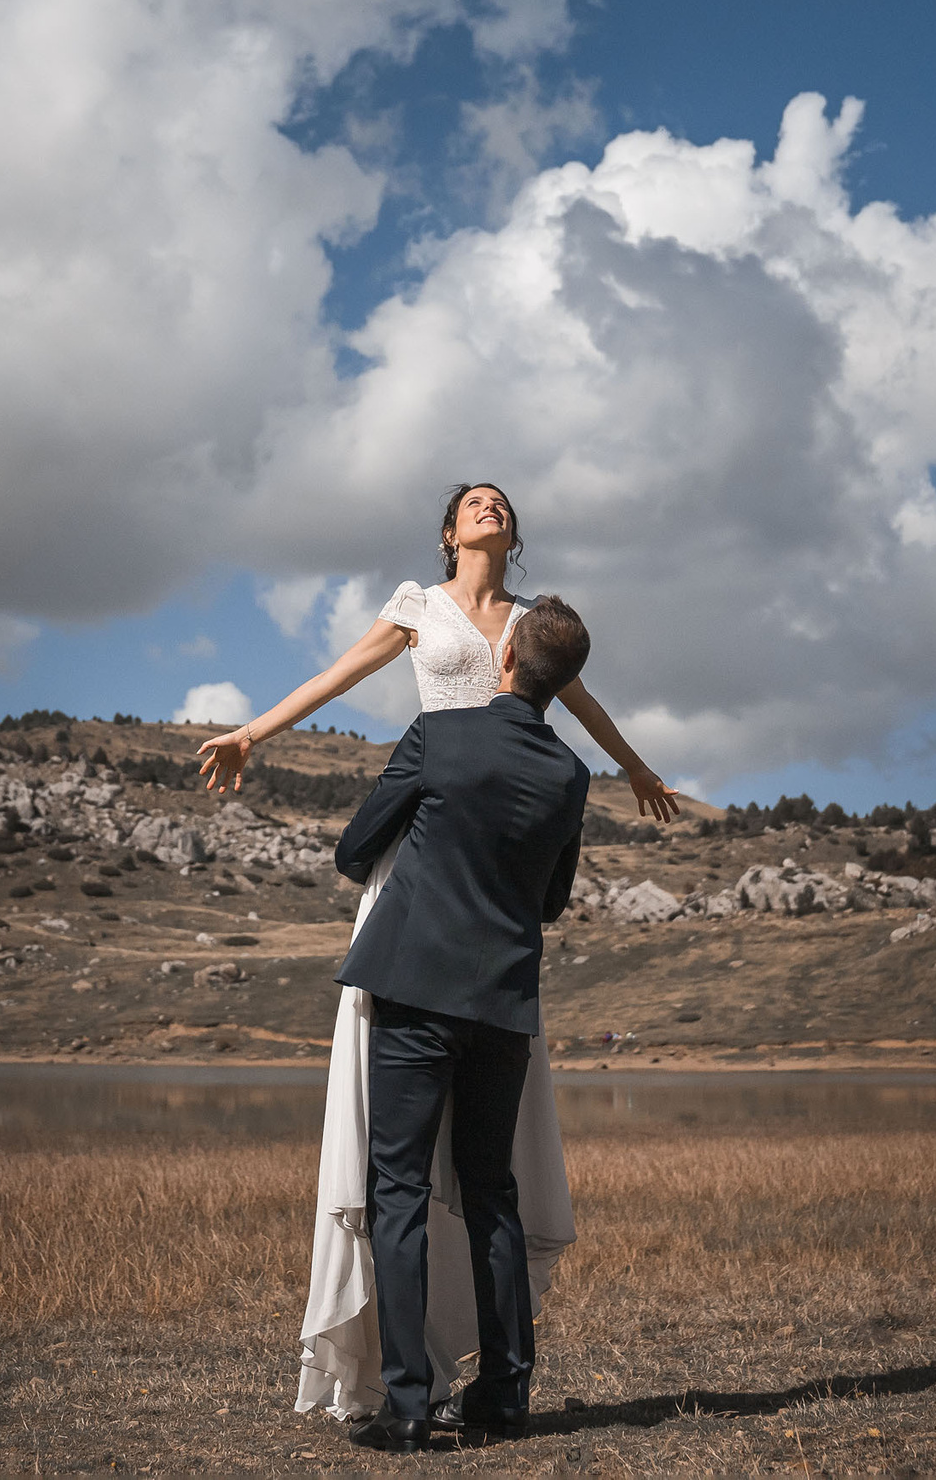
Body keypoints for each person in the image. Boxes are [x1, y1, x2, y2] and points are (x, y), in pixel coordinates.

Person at [193, 483, 680, 1423]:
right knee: (430, 1159)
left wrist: (634, 765)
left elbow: (579, 699)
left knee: (449, 1166)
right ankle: (441, 1375)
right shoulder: (418, 605)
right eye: (474, 503)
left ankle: (424, 1387)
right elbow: (338, 675)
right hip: (425, 867)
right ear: (451, 531)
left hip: (485, 869)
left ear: (514, 535)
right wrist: (253, 731)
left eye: (502, 502)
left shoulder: (531, 628)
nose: (490, 508)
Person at [329, 597, 591, 1451]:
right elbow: (550, 899)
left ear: (505, 653)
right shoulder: (570, 775)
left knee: (397, 1191)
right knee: (492, 1192)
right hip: (504, 1006)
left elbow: (355, 845)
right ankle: (505, 1395)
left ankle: (408, 1405)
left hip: (414, 990)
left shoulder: (437, 736)